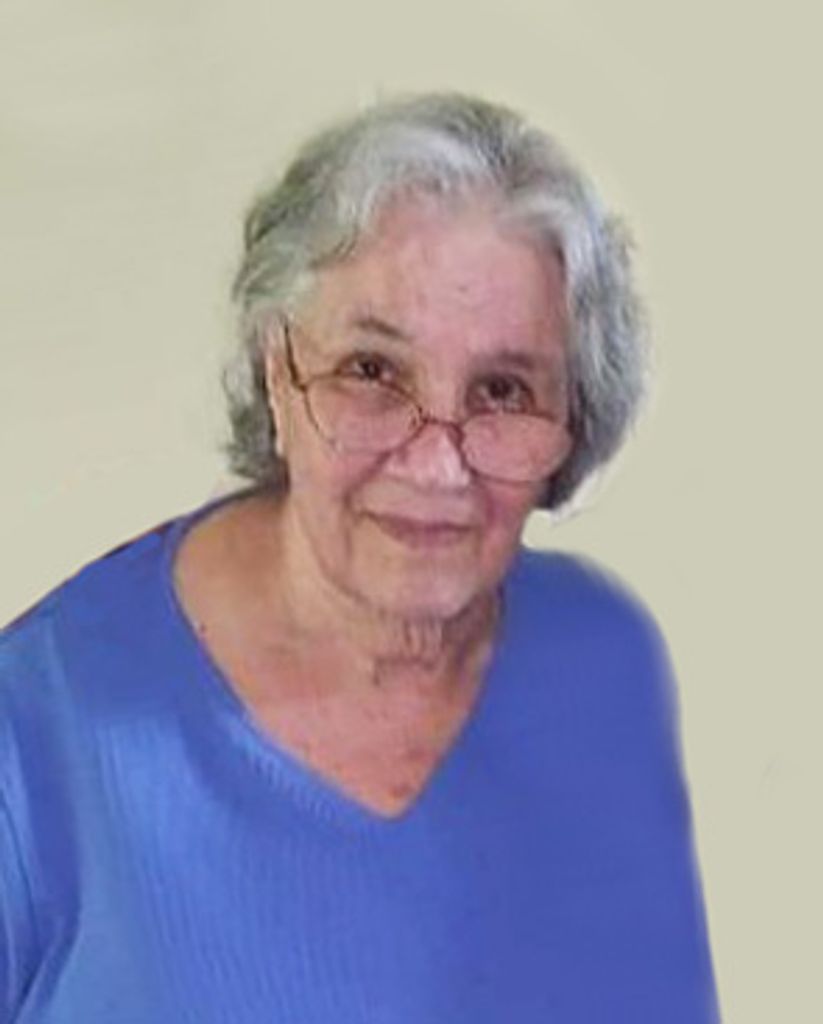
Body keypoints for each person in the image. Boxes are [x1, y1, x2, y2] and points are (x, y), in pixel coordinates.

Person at [0, 93, 720, 1022]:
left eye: (502, 391)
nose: (435, 465)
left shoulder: (605, 660)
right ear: (276, 369)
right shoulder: (36, 735)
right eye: (371, 372)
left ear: (571, 421)